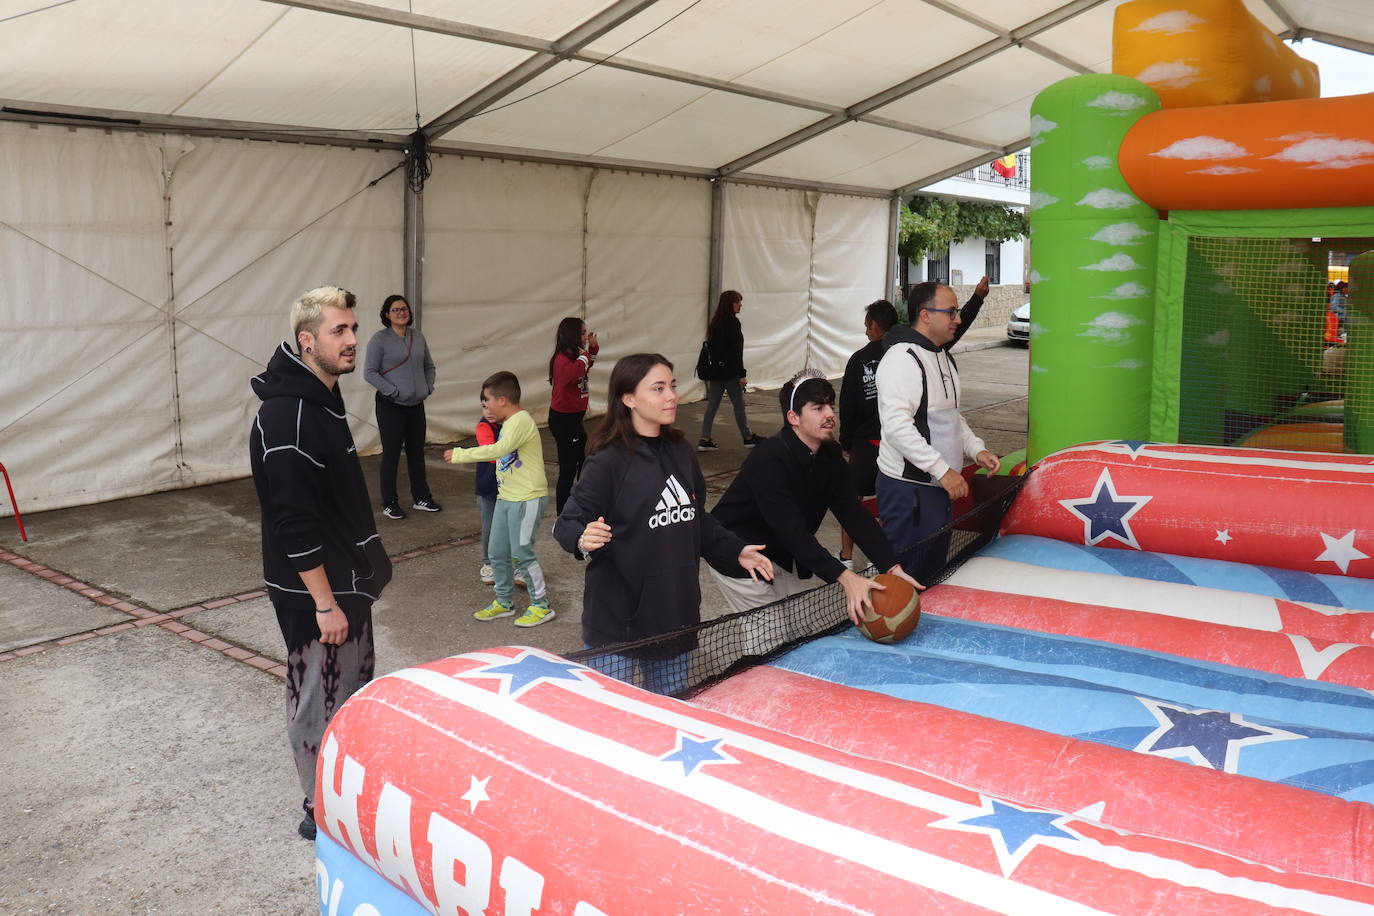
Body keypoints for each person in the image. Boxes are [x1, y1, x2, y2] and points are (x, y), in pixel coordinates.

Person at [248, 286, 392, 841]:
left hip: (345, 584)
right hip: (317, 594)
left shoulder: (321, 400)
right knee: (319, 697)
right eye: (340, 331)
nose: (353, 339)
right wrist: (325, 603)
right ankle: (319, 809)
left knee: (351, 692)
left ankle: (344, 790)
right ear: (307, 341)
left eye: (354, 328)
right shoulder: (288, 418)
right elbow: (293, 523)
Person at [554, 353, 773, 695]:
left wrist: (736, 551)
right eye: (658, 388)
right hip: (617, 629)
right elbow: (566, 523)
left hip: (675, 621)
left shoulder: (681, 451)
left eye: (671, 386)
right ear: (628, 399)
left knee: (668, 722)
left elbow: (696, 519)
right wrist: (582, 537)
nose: (671, 395)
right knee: (615, 726)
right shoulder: (608, 461)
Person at [710, 371, 918, 627]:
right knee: (769, 639)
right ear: (793, 417)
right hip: (738, 551)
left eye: (831, 406)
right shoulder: (768, 458)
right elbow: (792, 531)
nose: (829, 414)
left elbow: (853, 513)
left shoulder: (830, 454)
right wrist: (846, 577)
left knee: (800, 631)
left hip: (780, 552)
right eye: (818, 408)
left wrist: (891, 566)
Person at [875, 281, 1001, 584]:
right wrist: (942, 470)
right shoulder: (901, 359)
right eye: (952, 312)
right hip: (909, 492)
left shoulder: (943, 355)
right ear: (925, 315)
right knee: (903, 579)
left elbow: (950, 417)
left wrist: (976, 449)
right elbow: (897, 426)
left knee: (931, 576)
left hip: (939, 490)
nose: (958, 319)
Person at [444, 371, 553, 627]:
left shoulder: (520, 421)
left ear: (502, 400)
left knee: (521, 554)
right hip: (507, 498)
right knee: (497, 552)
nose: (486, 407)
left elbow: (499, 450)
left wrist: (460, 454)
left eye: (487, 401)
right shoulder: (508, 424)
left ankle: (541, 606)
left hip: (527, 500)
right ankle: (504, 601)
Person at [363, 294, 441, 520]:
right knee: (392, 454)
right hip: (391, 406)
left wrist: (427, 387)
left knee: (417, 453)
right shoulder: (379, 340)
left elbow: (429, 366)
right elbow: (369, 372)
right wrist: (392, 391)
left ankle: (421, 498)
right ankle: (390, 502)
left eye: (404, 309)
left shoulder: (418, 337)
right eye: (395, 310)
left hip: (416, 405)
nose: (401, 313)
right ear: (387, 314)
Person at [837, 299, 901, 569]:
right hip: (898, 446)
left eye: (866, 326)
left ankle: (847, 557)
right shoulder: (905, 356)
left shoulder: (859, 359)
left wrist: (846, 442)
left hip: (866, 446)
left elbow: (847, 406)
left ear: (875, 326)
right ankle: (880, 560)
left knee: (851, 503)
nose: (865, 332)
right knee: (888, 504)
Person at [698, 289, 762, 451]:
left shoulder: (715, 323)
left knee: (712, 406)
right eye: (737, 302)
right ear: (730, 304)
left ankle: (705, 439)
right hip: (731, 374)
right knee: (739, 406)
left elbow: (714, 349)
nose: (740, 305)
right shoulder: (733, 323)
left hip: (716, 373)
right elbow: (736, 353)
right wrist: (742, 375)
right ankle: (748, 438)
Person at [548, 316, 600, 513]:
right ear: (572, 335)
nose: (586, 336)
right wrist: (586, 354)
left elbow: (587, 365)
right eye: (583, 333)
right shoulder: (562, 360)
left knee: (585, 458)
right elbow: (575, 373)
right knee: (568, 468)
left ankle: (581, 500)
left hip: (575, 419)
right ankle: (562, 513)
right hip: (564, 421)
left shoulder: (577, 356)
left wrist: (592, 350)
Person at [474, 399, 500, 586]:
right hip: (488, 487)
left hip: (512, 487)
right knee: (490, 527)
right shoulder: (483, 427)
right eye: (484, 406)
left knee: (512, 528)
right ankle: (488, 563)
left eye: (492, 406)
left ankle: (514, 563)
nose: (488, 411)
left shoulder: (514, 423)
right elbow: (490, 453)